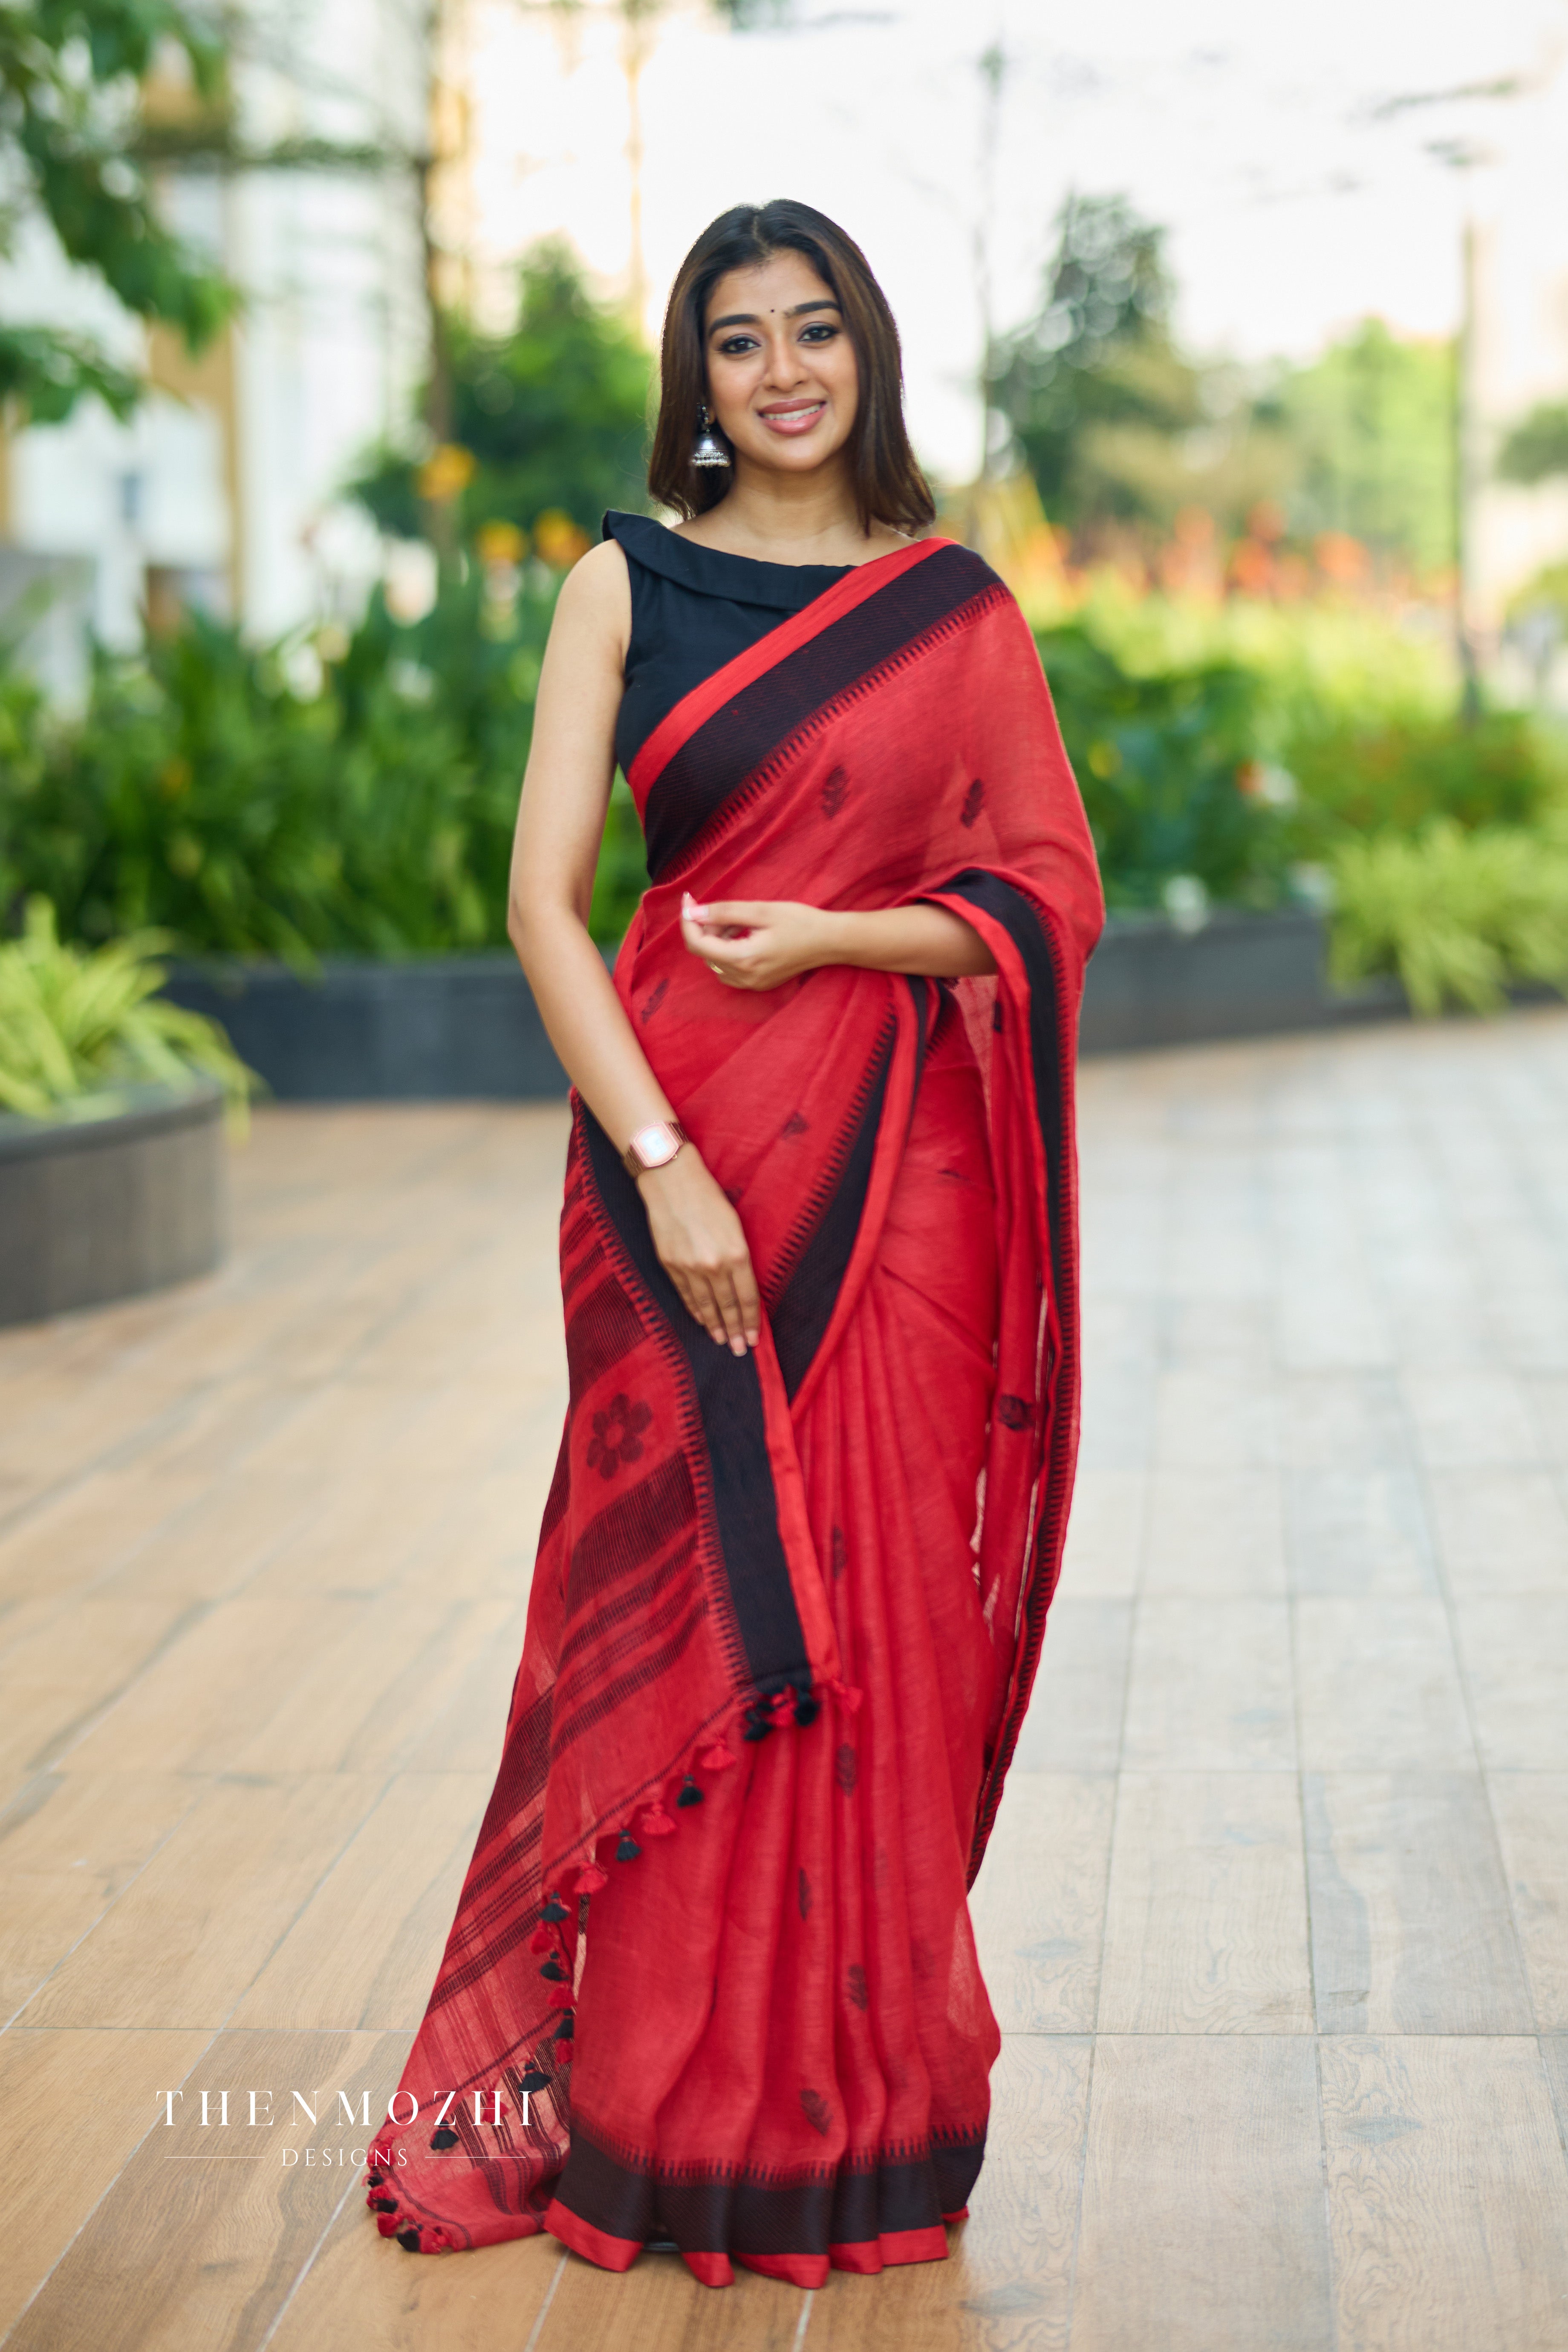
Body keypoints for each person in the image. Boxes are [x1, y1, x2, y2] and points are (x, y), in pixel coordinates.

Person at [364, 197, 1103, 2290]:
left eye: (812, 334)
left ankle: (862, 2124)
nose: (778, 373)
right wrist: (665, 1156)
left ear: (865, 353)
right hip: (672, 1139)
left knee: (879, 1627)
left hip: (898, 1173)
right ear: (693, 379)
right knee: (677, 1611)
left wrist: (850, 935)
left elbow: (1049, 887)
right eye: (735, 342)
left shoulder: (952, 610)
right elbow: (540, 903)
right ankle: (654, 2112)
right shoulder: (623, 581)